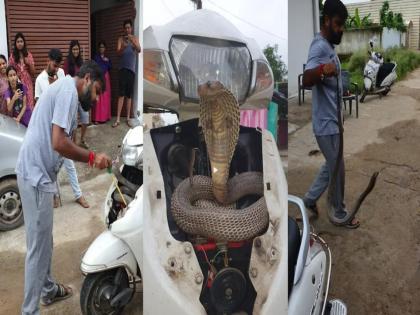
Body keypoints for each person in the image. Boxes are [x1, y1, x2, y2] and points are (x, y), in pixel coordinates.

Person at [15, 60, 111, 315]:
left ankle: (47, 290)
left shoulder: (68, 91)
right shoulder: (68, 90)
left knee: (44, 241)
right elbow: (59, 142)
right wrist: (92, 158)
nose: (97, 98)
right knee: (38, 248)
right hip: (35, 176)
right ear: (88, 79)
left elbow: (58, 141)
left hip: (40, 175)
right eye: (98, 91)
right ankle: (29, 311)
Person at [302, 0, 359, 228]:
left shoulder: (329, 47)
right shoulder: (319, 47)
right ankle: (338, 213)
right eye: (338, 24)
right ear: (326, 21)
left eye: (343, 24)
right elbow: (307, 79)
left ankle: (308, 200)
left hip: (334, 123)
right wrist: (324, 71)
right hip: (325, 125)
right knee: (337, 167)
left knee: (331, 165)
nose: (341, 29)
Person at [35, 48, 90, 208]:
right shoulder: (40, 80)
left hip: (64, 129)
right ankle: (55, 195)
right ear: (47, 60)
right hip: (50, 131)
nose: (56, 69)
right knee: (52, 166)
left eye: (58, 66)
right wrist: (52, 91)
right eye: (54, 65)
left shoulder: (61, 74)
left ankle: (78, 194)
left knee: (70, 164)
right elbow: (40, 105)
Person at [112, 19, 141, 128]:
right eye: (126, 28)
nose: (127, 29)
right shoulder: (120, 39)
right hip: (122, 69)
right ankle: (118, 119)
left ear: (131, 28)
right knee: (121, 94)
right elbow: (118, 53)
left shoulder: (135, 38)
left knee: (129, 95)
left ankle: (128, 118)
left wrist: (132, 41)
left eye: (129, 27)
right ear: (124, 29)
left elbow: (139, 50)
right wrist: (124, 46)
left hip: (131, 70)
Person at [64, 40, 90, 148]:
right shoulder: (67, 63)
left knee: (85, 118)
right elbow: (65, 79)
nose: (76, 51)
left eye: (77, 49)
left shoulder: (81, 62)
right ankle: (74, 143)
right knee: (74, 122)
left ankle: (82, 139)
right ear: (71, 50)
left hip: (82, 96)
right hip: (72, 96)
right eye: (74, 49)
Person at [8, 32, 35, 110]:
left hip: (28, 84)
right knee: (19, 105)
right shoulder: (12, 56)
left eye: (21, 41)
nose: (20, 43)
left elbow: (33, 73)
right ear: (15, 43)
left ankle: (29, 122)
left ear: (24, 43)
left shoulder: (28, 55)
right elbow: (9, 72)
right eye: (18, 42)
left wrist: (29, 63)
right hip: (17, 84)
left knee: (29, 105)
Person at [92, 41, 112, 123]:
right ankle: (96, 118)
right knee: (98, 96)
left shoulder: (107, 58)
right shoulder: (96, 57)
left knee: (105, 97)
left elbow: (110, 67)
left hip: (106, 78)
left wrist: (106, 61)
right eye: (100, 47)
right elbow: (95, 67)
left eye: (103, 47)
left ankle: (105, 117)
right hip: (99, 78)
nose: (102, 48)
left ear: (105, 48)